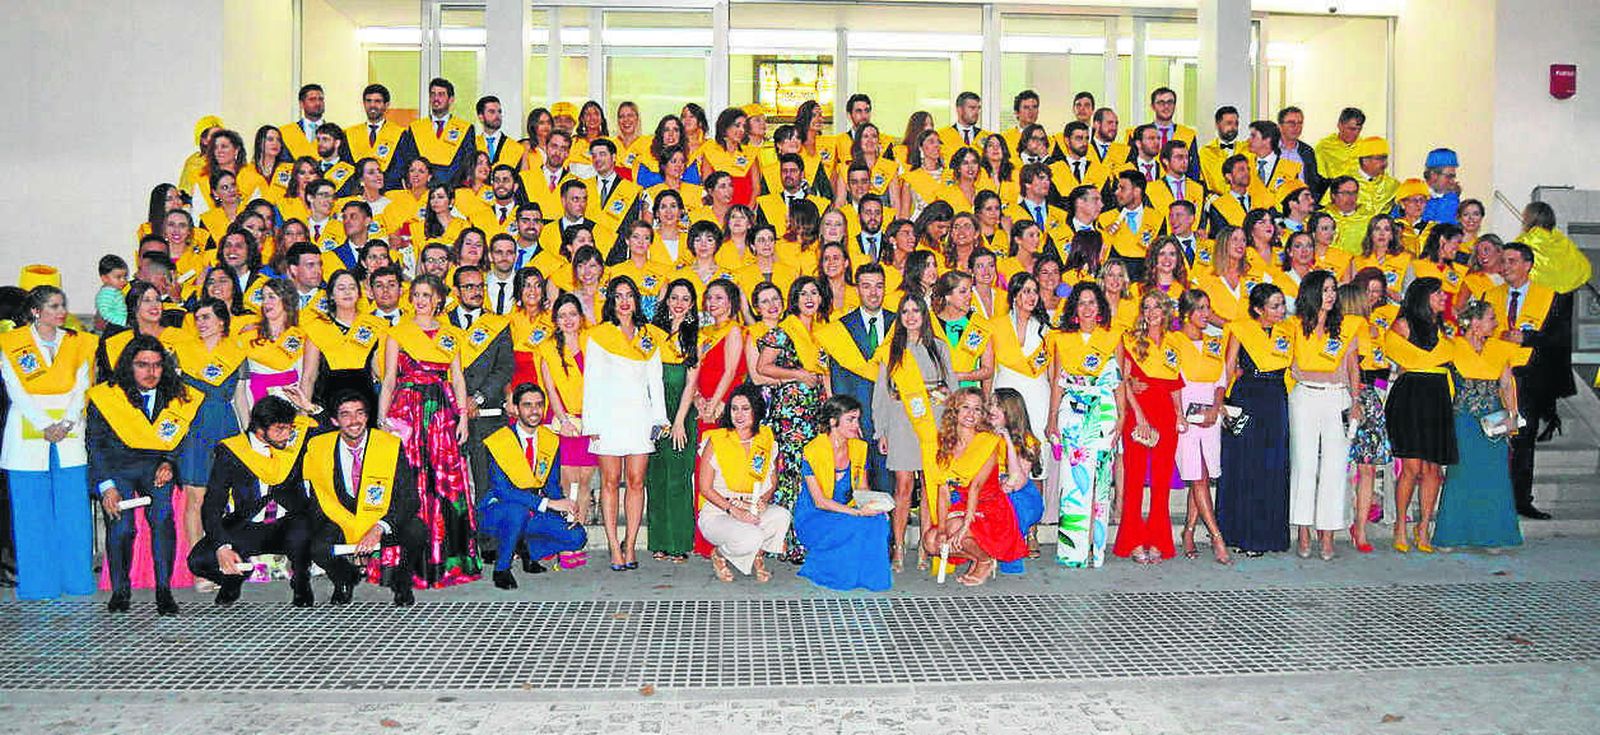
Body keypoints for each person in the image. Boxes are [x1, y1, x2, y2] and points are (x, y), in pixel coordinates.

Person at [376, 274, 481, 588]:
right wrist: (382, 418)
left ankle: (447, 560)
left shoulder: (451, 334)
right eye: (416, 294)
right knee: (410, 483)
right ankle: (406, 563)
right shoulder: (396, 333)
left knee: (444, 484)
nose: (421, 300)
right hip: (407, 412)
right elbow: (389, 380)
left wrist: (462, 417)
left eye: (427, 294)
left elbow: (458, 378)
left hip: (440, 415)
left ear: (438, 299)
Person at [87, 335, 202, 615]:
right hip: (118, 469)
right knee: (122, 527)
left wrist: (170, 463)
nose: (151, 372)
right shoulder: (107, 397)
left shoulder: (177, 396)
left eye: (157, 365)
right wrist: (107, 486)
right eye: (143, 365)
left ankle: (164, 591)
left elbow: (183, 439)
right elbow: (95, 445)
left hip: (156, 468)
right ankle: (120, 590)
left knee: (163, 520)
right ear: (129, 366)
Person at [0, 285, 97, 600]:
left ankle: (76, 579)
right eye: (54, 306)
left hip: (69, 433)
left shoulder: (77, 342)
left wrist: (67, 422)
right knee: (32, 512)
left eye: (63, 305)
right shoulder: (12, 343)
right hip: (29, 431)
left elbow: (82, 385)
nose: (61, 312)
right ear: (35, 311)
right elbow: (16, 389)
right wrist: (45, 424)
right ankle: (39, 583)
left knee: (73, 510)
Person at [186, 396, 316, 606]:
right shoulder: (232, 451)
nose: (287, 435)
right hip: (247, 524)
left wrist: (310, 407)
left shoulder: (293, 440)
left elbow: (331, 432)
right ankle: (233, 580)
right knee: (198, 560)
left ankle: (301, 581)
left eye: (289, 428)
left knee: (305, 530)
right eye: (279, 429)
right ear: (259, 430)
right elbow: (213, 504)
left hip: (288, 523)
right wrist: (222, 547)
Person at [302, 391, 426, 606]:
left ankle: (402, 582)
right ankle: (344, 579)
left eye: (359, 413)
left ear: (367, 417)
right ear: (335, 420)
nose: (354, 421)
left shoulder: (389, 445)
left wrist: (379, 527)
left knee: (416, 530)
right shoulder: (320, 446)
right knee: (317, 546)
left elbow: (409, 498)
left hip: (380, 520)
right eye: (346, 415)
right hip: (341, 518)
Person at [582, 276, 669, 571]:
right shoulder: (598, 335)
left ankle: (630, 545)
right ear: (611, 301)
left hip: (639, 416)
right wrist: (591, 421)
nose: (624, 301)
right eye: (618, 295)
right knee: (609, 483)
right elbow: (590, 382)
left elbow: (655, 381)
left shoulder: (649, 336)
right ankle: (612, 545)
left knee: (636, 481)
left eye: (629, 295)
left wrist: (659, 418)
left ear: (636, 299)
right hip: (607, 417)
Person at [169, 299, 250, 589]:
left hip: (225, 426)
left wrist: (250, 436)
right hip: (193, 429)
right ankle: (200, 569)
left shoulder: (237, 353)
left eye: (206, 317)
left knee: (224, 499)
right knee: (195, 498)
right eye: (197, 318)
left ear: (221, 321)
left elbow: (241, 399)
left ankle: (226, 562)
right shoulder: (181, 353)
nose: (200, 323)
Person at [477, 383, 587, 589]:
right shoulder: (499, 441)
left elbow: (552, 485)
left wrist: (566, 511)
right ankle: (502, 569)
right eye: (527, 405)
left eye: (538, 405)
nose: (534, 411)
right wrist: (549, 504)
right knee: (517, 512)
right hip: (499, 510)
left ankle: (527, 549)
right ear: (516, 409)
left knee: (576, 536)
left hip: (534, 509)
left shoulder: (550, 440)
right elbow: (503, 491)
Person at [1046, 282, 1123, 568]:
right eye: (1082, 303)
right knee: (1073, 483)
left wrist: (1123, 417)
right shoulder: (1061, 339)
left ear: (1100, 307)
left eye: (1092, 302)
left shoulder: (1113, 337)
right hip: (1073, 414)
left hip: (1104, 412)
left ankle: (1097, 548)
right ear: (1074, 310)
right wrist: (1052, 420)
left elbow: (1120, 383)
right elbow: (1056, 382)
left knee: (1101, 481)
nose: (1088, 307)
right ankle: (1072, 552)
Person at [1286, 271, 1361, 560]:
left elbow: (1353, 367)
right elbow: (1290, 364)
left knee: (1334, 466)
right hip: (1305, 395)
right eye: (1325, 289)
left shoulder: (1346, 326)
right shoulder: (1293, 325)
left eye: (1333, 290)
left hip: (1337, 396)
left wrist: (1355, 401)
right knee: (1304, 465)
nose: (1330, 295)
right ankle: (1303, 530)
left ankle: (1328, 534)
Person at [756, 276, 831, 561]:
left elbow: (824, 374)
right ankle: (784, 542)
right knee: (790, 476)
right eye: (803, 294)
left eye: (814, 293)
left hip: (816, 414)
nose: (809, 298)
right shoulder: (784, 330)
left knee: (811, 477)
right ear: (794, 299)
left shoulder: (822, 333)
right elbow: (762, 366)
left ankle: (805, 538)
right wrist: (798, 374)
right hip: (790, 416)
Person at [1485, 242, 1561, 519]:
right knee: (1493, 435)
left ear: (1528, 265)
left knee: (1523, 439)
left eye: (1512, 261)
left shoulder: (1550, 296)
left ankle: (1520, 501)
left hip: (1529, 378)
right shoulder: (1490, 293)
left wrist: (1527, 338)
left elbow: (1558, 339)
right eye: (1503, 262)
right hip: (1495, 374)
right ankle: (1491, 497)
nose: (1505, 267)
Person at [1217, 283, 1293, 557]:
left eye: (1282, 304)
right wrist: (1223, 403)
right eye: (1274, 306)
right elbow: (1228, 366)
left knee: (1272, 465)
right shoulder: (1240, 329)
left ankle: (1268, 535)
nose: (1281, 310)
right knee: (1245, 465)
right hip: (1247, 396)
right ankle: (1240, 534)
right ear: (1259, 309)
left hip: (1276, 398)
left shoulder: (1289, 331)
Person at [924, 387, 1026, 584]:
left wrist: (964, 526)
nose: (971, 414)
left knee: (956, 529)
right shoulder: (943, 442)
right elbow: (943, 489)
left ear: (982, 414)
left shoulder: (988, 441)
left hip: (989, 507)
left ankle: (984, 560)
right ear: (955, 410)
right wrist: (942, 528)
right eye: (965, 407)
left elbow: (976, 487)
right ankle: (978, 556)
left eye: (977, 409)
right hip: (961, 505)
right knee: (931, 541)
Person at [1383, 277, 1456, 553]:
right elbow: (1403, 359)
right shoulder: (1403, 325)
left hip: (1438, 397)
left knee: (1433, 470)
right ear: (1423, 296)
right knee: (1412, 468)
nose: (1443, 297)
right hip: (1411, 397)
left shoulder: (1445, 328)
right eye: (1438, 293)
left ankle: (1424, 525)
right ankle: (1400, 524)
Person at [1114, 291, 1184, 563]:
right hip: (1138, 413)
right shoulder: (1130, 340)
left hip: (1165, 413)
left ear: (1166, 310)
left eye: (1157, 306)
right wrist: (1140, 416)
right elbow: (1124, 380)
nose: (1152, 311)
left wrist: (1179, 414)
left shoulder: (1174, 342)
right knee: (1133, 480)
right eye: (1147, 306)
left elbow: (1175, 382)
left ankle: (1158, 540)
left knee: (1161, 481)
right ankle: (1132, 540)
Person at [794, 395, 891, 591]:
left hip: (848, 508)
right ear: (833, 421)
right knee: (854, 523)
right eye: (851, 419)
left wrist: (875, 505)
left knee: (878, 521)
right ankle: (832, 572)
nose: (857, 425)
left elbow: (862, 489)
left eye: (857, 419)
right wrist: (858, 513)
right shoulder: (812, 450)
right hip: (815, 515)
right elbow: (820, 502)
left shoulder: (859, 447)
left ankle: (866, 578)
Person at [696, 384, 789, 583]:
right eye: (734, 408)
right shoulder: (717, 440)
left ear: (756, 410)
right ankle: (720, 554)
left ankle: (757, 555)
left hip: (752, 505)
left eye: (745, 409)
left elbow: (772, 479)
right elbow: (705, 488)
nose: (739, 415)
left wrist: (763, 500)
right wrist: (734, 510)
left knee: (781, 516)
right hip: (719, 512)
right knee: (752, 536)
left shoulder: (765, 436)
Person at [445, 265, 513, 518]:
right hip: (450, 415)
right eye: (469, 287)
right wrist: (458, 401)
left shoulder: (497, 324)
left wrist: (479, 398)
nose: (476, 292)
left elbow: (505, 367)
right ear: (456, 291)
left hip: (489, 415)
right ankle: (457, 543)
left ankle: (487, 540)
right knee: (453, 483)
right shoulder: (441, 322)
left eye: (480, 286)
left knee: (487, 481)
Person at [1171, 289, 1230, 564]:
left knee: (1204, 474)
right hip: (1186, 413)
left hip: (1211, 412)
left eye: (1208, 307)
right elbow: (1174, 380)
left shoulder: (1213, 342)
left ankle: (1189, 531)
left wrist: (1216, 408)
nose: (1206, 314)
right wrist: (1179, 414)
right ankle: (1217, 537)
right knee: (1197, 476)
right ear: (1187, 312)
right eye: (1200, 309)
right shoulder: (1174, 341)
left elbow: (1221, 379)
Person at [645, 279, 702, 563]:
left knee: (678, 479)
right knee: (655, 478)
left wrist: (678, 421)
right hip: (653, 413)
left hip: (680, 412)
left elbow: (692, 383)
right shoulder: (652, 334)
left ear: (692, 305)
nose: (679, 303)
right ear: (667, 301)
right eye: (674, 297)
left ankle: (680, 543)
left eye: (685, 299)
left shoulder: (695, 337)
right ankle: (659, 541)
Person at [538, 293, 595, 567]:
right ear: (556, 320)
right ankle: (563, 538)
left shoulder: (592, 341)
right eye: (562, 316)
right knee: (567, 481)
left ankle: (577, 536)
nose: (568, 320)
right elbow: (550, 388)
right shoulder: (548, 347)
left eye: (573, 314)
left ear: (580, 317)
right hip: (564, 421)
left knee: (585, 481)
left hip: (593, 419)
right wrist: (565, 419)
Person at [299, 270, 386, 428]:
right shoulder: (316, 327)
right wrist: (303, 413)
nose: (347, 292)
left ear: (359, 294)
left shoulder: (375, 325)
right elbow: (309, 376)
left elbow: (380, 373)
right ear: (331, 295)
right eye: (341, 288)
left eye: (352, 287)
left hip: (364, 401)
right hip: (327, 401)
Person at [385, 77, 478, 191]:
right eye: (432, 94)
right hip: (422, 191)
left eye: (441, 94)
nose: (436, 98)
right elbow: (409, 161)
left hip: (454, 191)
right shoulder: (415, 128)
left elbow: (468, 163)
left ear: (451, 99)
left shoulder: (465, 128)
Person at [990, 387, 1045, 570]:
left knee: (1010, 499)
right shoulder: (985, 435)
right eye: (991, 404)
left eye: (997, 405)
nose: (991, 409)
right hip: (995, 487)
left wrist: (1007, 441)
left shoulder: (1027, 441)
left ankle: (1011, 557)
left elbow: (1017, 480)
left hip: (1021, 494)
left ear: (1011, 410)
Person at [96, 255, 130, 329]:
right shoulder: (106, 293)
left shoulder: (115, 291)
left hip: (118, 324)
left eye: (125, 277)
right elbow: (105, 313)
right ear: (105, 278)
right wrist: (124, 322)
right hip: (112, 327)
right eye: (118, 277)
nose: (123, 280)